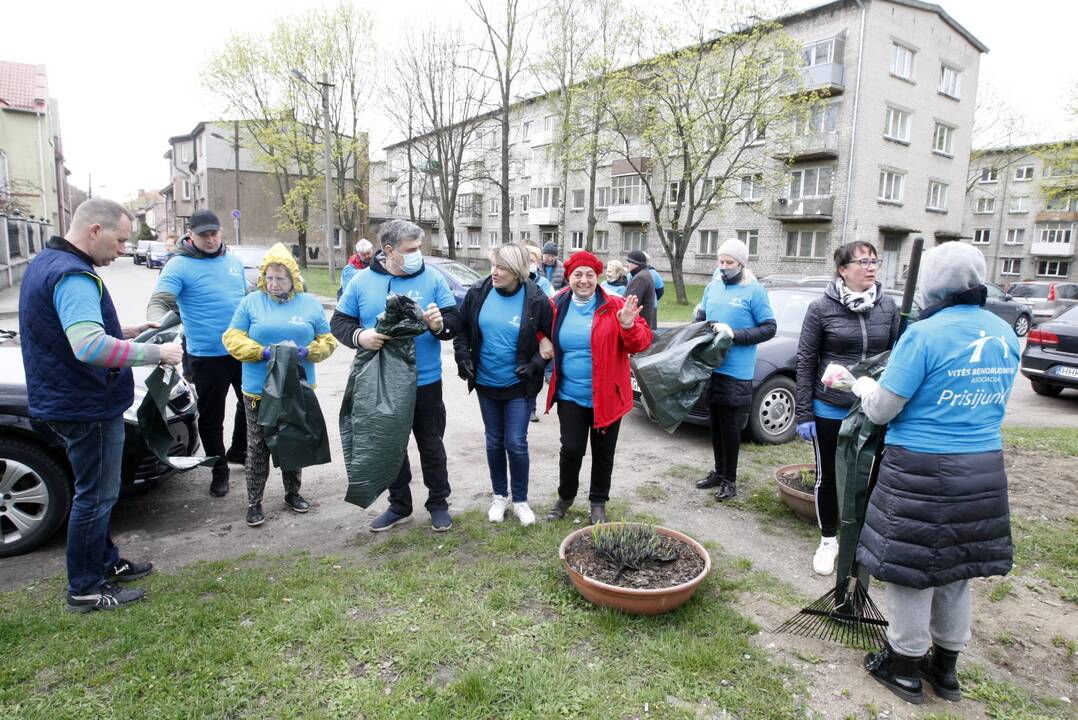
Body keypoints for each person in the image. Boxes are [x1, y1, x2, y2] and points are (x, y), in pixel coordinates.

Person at [851, 241, 1019, 705]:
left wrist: (865, 386)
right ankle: (945, 669)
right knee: (956, 570)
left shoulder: (923, 336)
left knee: (910, 570)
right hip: (982, 468)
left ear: (931, 284)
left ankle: (903, 666)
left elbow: (884, 410)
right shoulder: (1003, 333)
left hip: (921, 470)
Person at [19, 199, 184, 612]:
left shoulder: (48, 262)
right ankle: (86, 588)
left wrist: (126, 331)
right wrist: (156, 355)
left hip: (68, 398)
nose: (124, 250)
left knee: (93, 491)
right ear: (95, 230)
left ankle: (105, 563)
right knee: (96, 496)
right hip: (85, 404)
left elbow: (71, 330)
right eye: (121, 240)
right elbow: (88, 345)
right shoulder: (73, 275)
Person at [331, 219, 462, 532]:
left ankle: (438, 503)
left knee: (431, 445)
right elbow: (339, 322)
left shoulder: (432, 278)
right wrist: (361, 336)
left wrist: (438, 325)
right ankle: (399, 505)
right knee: (391, 446)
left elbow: (455, 321)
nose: (418, 254)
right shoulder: (362, 282)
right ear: (388, 250)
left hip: (426, 382)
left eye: (419, 248)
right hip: (382, 384)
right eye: (411, 249)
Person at [794, 241, 899, 576]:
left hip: (874, 408)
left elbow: (899, 357)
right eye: (862, 262)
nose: (871, 267)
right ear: (842, 269)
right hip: (831, 407)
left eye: (874, 261)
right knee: (829, 477)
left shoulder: (889, 307)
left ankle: (861, 541)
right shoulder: (821, 308)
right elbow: (806, 361)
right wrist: (804, 412)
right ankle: (829, 541)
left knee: (870, 476)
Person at [223, 243, 338, 527]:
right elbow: (231, 337)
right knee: (258, 446)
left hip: (296, 386)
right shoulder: (251, 302)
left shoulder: (309, 303)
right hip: (258, 388)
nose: (273, 284)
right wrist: (260, 352)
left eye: (281, 278)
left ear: (293, 279)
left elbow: (328, 340)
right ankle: (254, 502)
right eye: (269, 278)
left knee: (293, 438)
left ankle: (293, 493)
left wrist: (308, 351)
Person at [544, 251, 652, 524]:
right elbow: (538, 326)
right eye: (578, 274)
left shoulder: (616, 305)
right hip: (570, 394)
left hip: (608, 396)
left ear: (598, 277)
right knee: (571, 450)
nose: (583, 280)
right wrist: (540, 339)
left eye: (589, 275)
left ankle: (597, 502)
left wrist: (628, 326)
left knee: (603, 453)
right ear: (569, 277)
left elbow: (641, 343)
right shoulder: (556, 304)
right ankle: (565, 497)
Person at [147, 209, 248, 497]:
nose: (210, 239)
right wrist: (156, 326)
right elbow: (161, 301)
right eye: (204, 234)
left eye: (214, 233)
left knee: (250, 403)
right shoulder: (178, 265)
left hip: (242, 350)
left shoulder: (233, 262)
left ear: (220, 231)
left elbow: (246, 299)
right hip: (207, 356)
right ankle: (219, 469)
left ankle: (238, 450)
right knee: (212, 416)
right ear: (190, 234)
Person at [454, 244, 554, 526]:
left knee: (516, 442)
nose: (494, 272)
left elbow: (549, 339)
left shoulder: (536, 299)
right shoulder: (478, 292)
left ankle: (520, 500)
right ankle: (499, 496)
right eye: (493, 265)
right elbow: (462, 330)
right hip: (486, 382)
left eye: (502, 267)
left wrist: (535, 365)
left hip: (519, 385)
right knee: (494, 441)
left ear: (518, 271)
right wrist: (463, 356)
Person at [693, 238, 775, 501]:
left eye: (730, 262)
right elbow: (702, 316)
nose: (724, 266)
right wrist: (698, 322)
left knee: (729, 427)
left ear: (741, 264)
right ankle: (718, 471)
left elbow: (768, 328)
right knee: (714, 423)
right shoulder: (713, 286)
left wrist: (734, 334)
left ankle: (730, 479)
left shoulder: (754, 290)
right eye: (721, 261)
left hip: (736, 371)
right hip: (711, 367)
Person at [624, 249, 657, 329]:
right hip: (641, 324)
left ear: (636, 264)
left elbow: (630, 304)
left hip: (637, 325)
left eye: (629, 262)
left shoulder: (640, 278)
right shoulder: (643, 274)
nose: (626, 264)